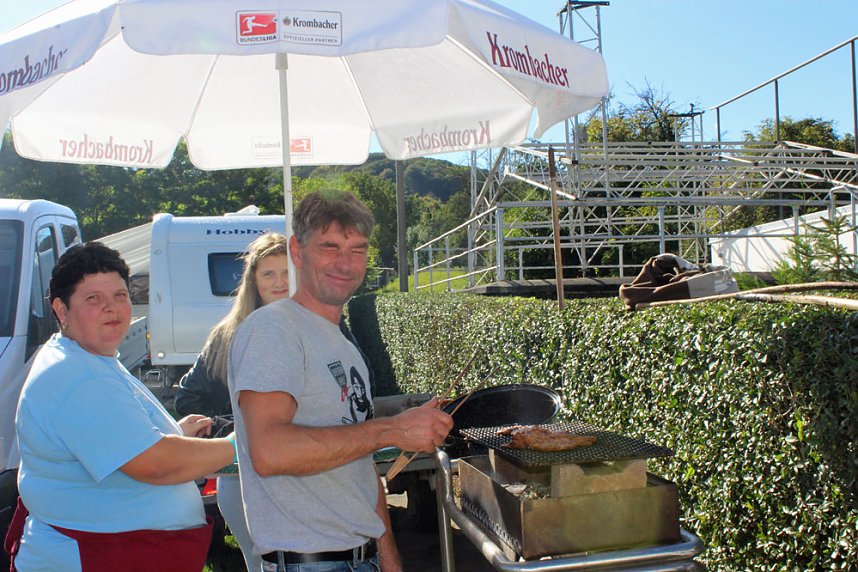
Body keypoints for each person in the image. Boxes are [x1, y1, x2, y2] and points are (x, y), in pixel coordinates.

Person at [229, 190, 453, 572]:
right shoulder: (273, 329)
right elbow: (270, 452)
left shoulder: (343, 345)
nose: (345, 263)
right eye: (330, 247)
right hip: (308, 563)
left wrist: (389, 556)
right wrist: (390, 430)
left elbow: (359, 464)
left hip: (360, 557)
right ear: (298, 252)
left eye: (358, 250)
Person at [11, 242, 235, 572]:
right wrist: (238, 447)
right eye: (94, 299)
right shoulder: (77, 377)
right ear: (61, 310)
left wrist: (174, 433)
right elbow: (155, 464)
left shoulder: (84, 357)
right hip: (93, 557)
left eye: (119, 295)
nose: (112, 308)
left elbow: (118, 440)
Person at [174, 232, 290, 572]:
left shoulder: (320, 326)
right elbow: (187, 398)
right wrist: (233, 425)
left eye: (287, 272)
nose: (279, 282)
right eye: (269, 273)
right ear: (253, 280)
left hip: (302, 475)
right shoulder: (227, 334)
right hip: (241, 478)